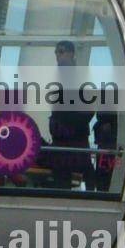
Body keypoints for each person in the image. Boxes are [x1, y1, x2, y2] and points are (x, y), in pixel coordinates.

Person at [48, 40, 95, 190]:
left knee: (79, 169)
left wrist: (70, 125)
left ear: (71, 54)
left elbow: (89, 106)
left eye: (61, 52)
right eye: (56, 52)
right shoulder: (60, 76)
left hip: (72, 135)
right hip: (64, 136)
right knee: (64, 174)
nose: (57, 55)